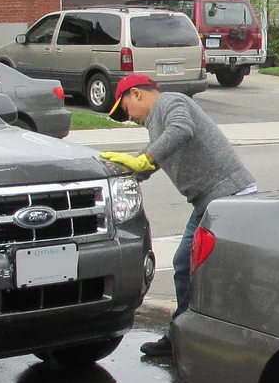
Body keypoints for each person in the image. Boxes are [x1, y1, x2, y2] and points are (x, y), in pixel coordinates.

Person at [98, 73, 256, 360]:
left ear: (136, 93)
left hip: (230, 197)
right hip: (209, 202)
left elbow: (181, 129)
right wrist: (124, 169)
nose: (128, 117)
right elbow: (150, 162)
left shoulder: (171, 102)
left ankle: (223, 339)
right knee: (187, 266)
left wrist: (145, 158)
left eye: (125, 109)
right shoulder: (155, 126)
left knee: (212, 269)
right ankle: (185, 335)